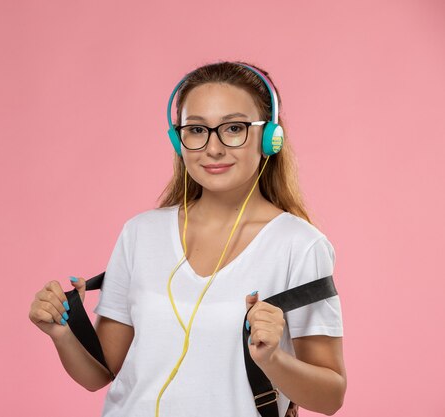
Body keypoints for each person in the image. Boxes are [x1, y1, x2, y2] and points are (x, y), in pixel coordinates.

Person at [29, 61, 347, 417]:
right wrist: (60, 332)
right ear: (179, 140)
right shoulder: (140, 233)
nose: (213, 148)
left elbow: (330, 396)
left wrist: (271, 360)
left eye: (234, 128)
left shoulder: (300, 245)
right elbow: (99, 374)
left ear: (271, 136)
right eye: (196, 130)